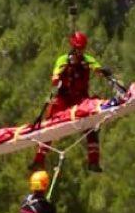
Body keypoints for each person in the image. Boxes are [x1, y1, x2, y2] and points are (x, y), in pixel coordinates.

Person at [36, 31, 110, 172]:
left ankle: (93, 161)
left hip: (81, 98)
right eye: (78, 49)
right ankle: (39, 159)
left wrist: (103, 71)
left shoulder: (88, 60)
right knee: (50, 122)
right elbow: (55, 76)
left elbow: (97, 69)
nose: (80, 52)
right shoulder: (63, 60)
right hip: (64, 97)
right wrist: (57, 76)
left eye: (82, 49)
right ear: (73, 47)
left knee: (91, 123)